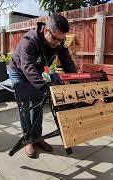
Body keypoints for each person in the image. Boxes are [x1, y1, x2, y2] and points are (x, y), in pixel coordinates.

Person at [8, 14, 78, 158]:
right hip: (19, 72)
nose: (58, 43)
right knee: (26, 106)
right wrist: (45, 87)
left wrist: (76, 82)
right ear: (46, 30)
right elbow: (27, 67)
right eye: (56, 39)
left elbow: (67, 62)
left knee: (38, 104)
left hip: (35, 73)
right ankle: (28, 140)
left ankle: (37, 138)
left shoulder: (58, 41)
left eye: (61, 39)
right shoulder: (29, 41)